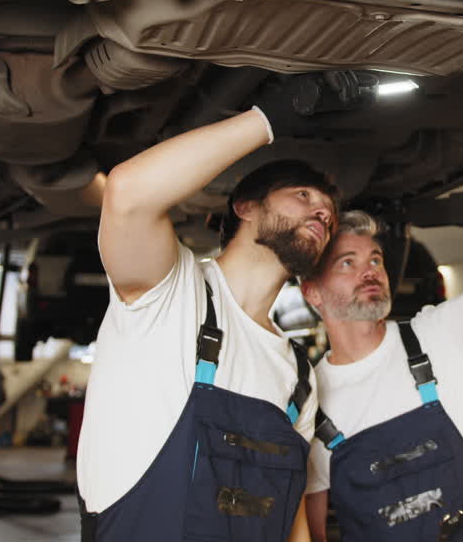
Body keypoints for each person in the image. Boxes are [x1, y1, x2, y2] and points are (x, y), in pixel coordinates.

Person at [301, 79, 463, 542]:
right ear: (313, 293)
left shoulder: (439, 338)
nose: (370, 271)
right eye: (348, 263)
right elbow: (310, 531)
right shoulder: (310, 402)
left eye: (376, 260)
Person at [77, 86, 342, 542]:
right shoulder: (171, 292)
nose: (322, 212)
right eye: (303, 195)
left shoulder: (298, 372)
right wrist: (269, 116)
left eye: (330, 215)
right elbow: (127, 192)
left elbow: (290, 511)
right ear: (245, 207)